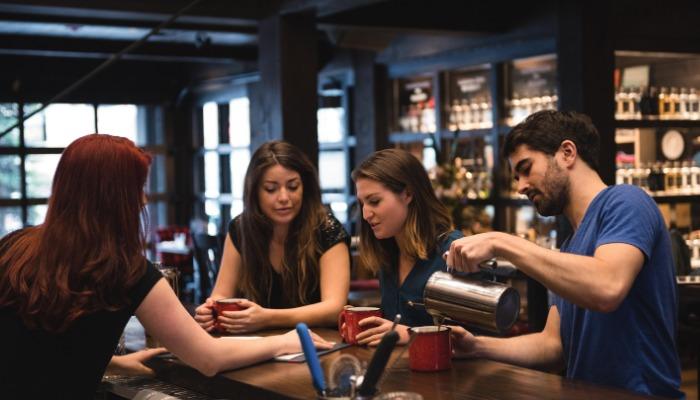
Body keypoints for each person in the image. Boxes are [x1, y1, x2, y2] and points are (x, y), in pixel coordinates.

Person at [0, 134, 331, 399]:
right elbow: (208, 358)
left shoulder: (15, 246)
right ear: (116, 197)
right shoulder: (125, 271)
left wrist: (110, 362)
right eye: (137, 188)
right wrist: (285, 342)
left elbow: (38, 348)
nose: (143, 199)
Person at [446, 110, 683, 398]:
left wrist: (502, 242)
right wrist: (478, 346)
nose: (520, 187)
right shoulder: (571, 246)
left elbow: (608, 286)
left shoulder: (626, 202)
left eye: (526, 167)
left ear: (567, 153)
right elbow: (553, 345)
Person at [195, 141, 350, 333]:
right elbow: (221, 294)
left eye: (293, 187)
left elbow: (334, 308)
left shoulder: (327, 230)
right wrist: (210, 310)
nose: (284, 197)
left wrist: (267, 318)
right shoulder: (241, 228)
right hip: (259, 346)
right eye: (271, 189)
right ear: (255, 193)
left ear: (305, 187)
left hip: (319, 345)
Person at [351, 148, 463, 346]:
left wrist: (412, 335)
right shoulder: (387, 252)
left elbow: (479, 340)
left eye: (374, 201)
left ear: (408, 193)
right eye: (362, 204)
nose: (366, 214)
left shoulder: (452, 251)